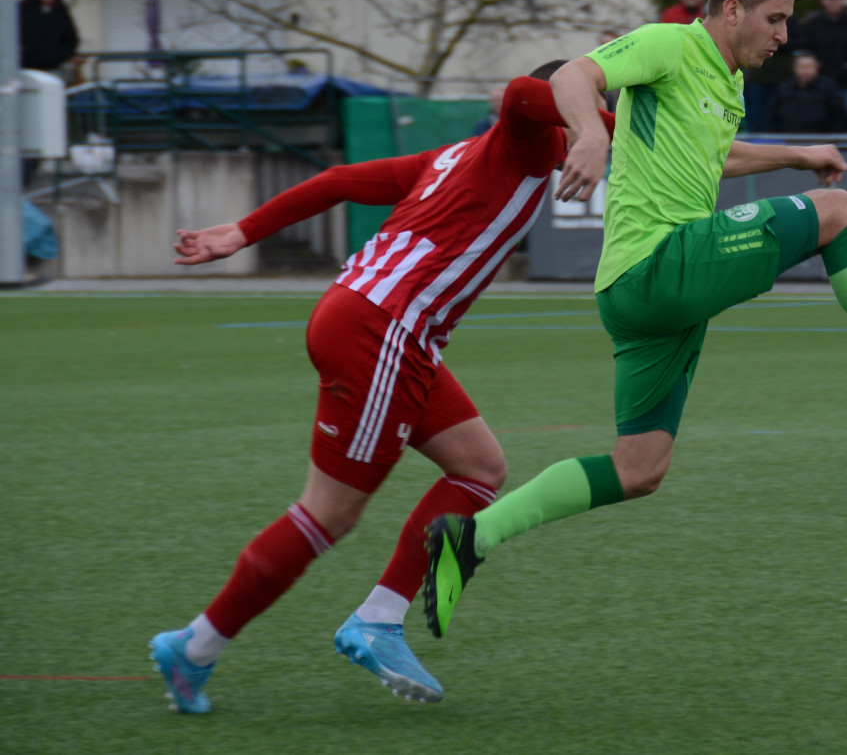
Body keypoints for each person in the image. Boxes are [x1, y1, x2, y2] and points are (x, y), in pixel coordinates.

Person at [422, 0, 847, 644]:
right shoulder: (671, 44)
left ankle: (472, 536)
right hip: (659, 264)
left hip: (642, 295)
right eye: (776, 18)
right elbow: (578, 73)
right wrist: (586, 137)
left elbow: (713, 156)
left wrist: (795, 153)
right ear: (732, 10)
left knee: (640, 469)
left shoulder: (727, 83)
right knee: (839, 212)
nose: (785, 35)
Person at [147, 62, 616, 714]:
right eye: (592, 100)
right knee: (327, 512)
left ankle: (348, 620)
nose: (600, 115)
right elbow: (519, 92)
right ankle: (200, 647)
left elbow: (339, 181)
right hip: (381, 329)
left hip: (384, 328)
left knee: (480, 468)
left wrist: (241, 230)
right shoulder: (527, 138)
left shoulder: (463, 153)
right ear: (565, 106)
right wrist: (588, 124)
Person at [800, 0, 847, 114]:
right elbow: (807, 47)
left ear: (842, 0)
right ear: (823, 0)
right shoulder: (813, 23)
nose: (833, 1)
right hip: (821, 81)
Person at [18, 0, 79, 74]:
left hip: (53, 68)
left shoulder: (61, 11)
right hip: (27, 67)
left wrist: (60, 56)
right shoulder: (24, 8)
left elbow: (71, 38)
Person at [769, 51, 845, 134]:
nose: (806, 71)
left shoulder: (829, 87)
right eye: (802, 67)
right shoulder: (784, 88)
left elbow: (838, 117)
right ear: (794, 68)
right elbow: (773, 116)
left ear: (817, 67)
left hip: (821, 139)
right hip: (789, 139)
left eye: (810, 67)